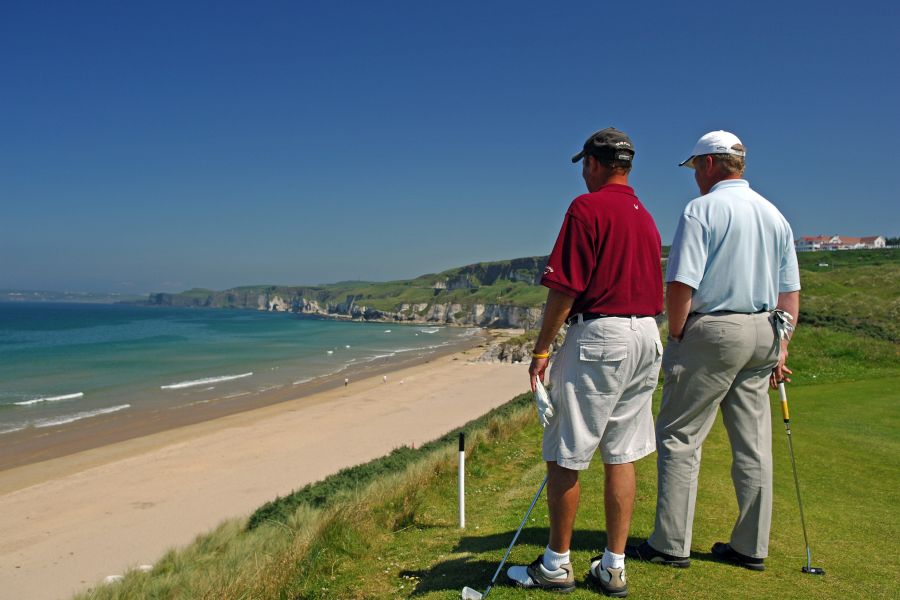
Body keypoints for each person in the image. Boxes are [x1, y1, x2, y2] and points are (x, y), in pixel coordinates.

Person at [626, 131, 801, 572]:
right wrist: (782, 346)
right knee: (754, 443)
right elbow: (789, 292)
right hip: (765, 331)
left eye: (695, 170)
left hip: (715, 329)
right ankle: (750, 546)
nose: (694, 179)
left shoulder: (702, 209)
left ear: (708, 165)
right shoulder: (774, 214)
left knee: (680, 436)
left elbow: (682, 282)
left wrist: (679, 334)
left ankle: (670, 542)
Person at [506, 128, 664, 597]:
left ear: (595, 163)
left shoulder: (586, 207)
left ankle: (556, 564)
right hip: (646, 336)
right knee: (623, 450)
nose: (582, 172)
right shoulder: (645, 215)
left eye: (584, 164)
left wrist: (540, 351)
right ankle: (612, 566)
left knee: (566, 452)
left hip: (601, 335)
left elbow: (566, 287)